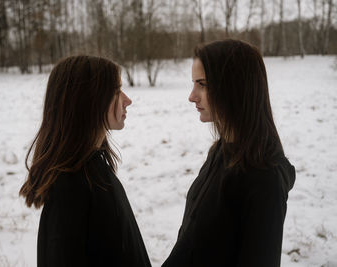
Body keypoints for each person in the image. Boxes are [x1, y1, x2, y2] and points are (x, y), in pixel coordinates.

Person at [162, 39, 296, 267]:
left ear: (234, 87)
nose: (192, 96)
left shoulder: (264, 178)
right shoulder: (222, 150)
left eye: (202, 84)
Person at [19, 55, 151, 267]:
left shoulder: (95, 170)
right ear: (89, 101)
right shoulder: (71, 187)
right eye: (116, 91)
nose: (127, 100)